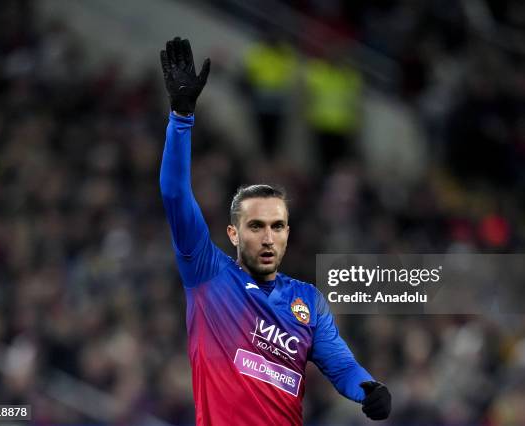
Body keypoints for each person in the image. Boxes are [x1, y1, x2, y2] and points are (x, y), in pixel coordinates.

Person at [159, 37, 391, 426]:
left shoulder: (307, 301)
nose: (268, 237)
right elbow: (175, 193)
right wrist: (181, 119)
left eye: (277, 226)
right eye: (256, 226)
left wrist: (368, 387)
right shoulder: (207, 273)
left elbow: (340, 365)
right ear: (233, 234)